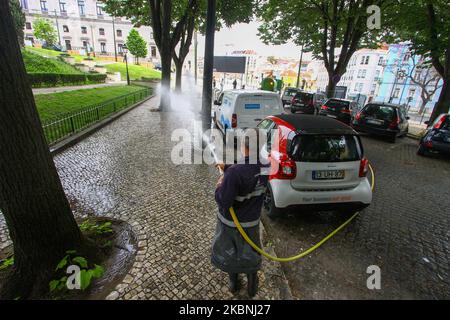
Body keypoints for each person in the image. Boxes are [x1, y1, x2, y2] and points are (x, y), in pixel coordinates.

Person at [211, 130, 268, 297]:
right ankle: (252, 284)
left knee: (231, 254)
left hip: (231, 226)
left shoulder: (234, 174)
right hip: (252, 223)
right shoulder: (267, 166)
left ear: (244, 146)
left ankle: (234, 282)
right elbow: (250, 171)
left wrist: (220, 185)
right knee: (251, 253)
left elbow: (223, 201)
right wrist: (227, 167)